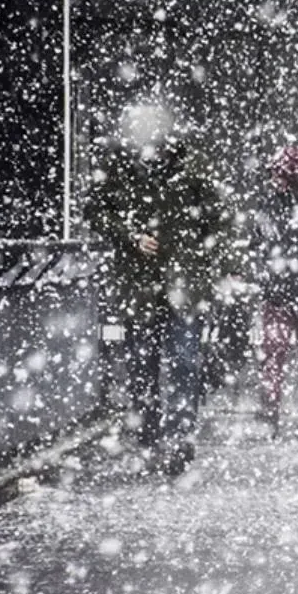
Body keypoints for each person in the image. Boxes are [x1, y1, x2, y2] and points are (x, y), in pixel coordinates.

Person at [89, 126, 233, 476]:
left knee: (182, 361)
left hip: (183, 286)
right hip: (141, 288)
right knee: (143, 364)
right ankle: (152, 434)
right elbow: (94, 211)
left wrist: (204, 259)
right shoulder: (120, 171)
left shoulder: (192, 174)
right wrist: (131, 235)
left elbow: (222, 220)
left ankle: (177, 437)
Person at [253, 144, 298, 435]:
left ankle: (283, 413)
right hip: (293, 292)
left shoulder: (280, 204)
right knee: (286, 357)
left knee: (279, 357)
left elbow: (261, 241)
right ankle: (296, 413)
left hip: (289, 291)